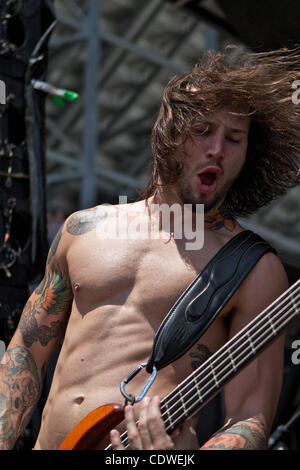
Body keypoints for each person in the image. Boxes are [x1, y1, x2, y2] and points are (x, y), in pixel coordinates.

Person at [0, 46, 300, 451]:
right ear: (169, 134)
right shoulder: (83, 230)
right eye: (203, 131)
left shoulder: (254, 268)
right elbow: (25, 352)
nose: (217, 149)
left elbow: (249, 419)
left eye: (233, 139)